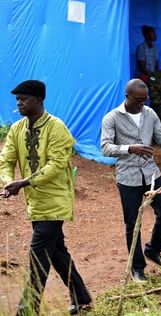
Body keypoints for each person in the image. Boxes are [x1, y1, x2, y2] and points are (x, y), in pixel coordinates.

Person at [0, 80, 91, 315]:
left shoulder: (56, 127)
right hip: (35, 202)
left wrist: (23, 182)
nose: (19, 103)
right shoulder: (17, 129)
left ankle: (27, 309)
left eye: (24, 99)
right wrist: (8, 181)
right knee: (57, 252)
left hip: (55, 200)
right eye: (17, 99)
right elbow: (6, 159)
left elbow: (56, 165)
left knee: (38, 254)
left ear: (39, 100)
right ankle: (81, 297)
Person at [101, 79, 161, 282]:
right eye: (138, 100)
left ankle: (153, 250)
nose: (142, 104)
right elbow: (105, 147)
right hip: (128, 177)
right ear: (127, 96)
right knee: (133, 224)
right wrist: (130, 148)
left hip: (151, 174)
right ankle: (137, 268)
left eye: (145, 100)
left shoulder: (150, 114)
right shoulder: (111, 118)